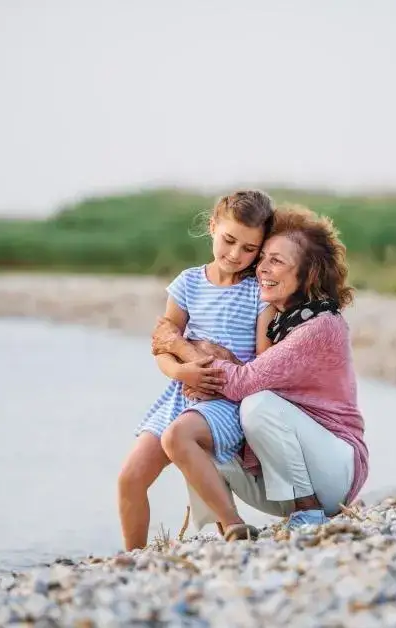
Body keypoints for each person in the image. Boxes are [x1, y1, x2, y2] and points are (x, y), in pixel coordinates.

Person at [151, 205, 369, 538]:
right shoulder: (277, 321)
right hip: (283, 476)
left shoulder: (321, 325)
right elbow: (249, 377)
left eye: (276, 261)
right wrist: (214, 365)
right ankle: (229, 527)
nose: (262, 268)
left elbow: (247, 384)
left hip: (336, 470)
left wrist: (180, 346)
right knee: (198, 428)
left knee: (256, 404)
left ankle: (309, 510)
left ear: (307, 274)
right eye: (263, 257)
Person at [118, 190, 276, 550]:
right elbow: (163, 345)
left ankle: (233, 525)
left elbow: (263, 363)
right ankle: (134, 558)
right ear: (213, 226)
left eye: (249, 248)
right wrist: (181, 373)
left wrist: (224, 372)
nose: (235, 254)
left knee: (179, 436)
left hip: (226, 403)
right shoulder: (188, 283)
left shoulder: (258, 293)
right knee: (130, 478)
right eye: (229, 240)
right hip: (179, 394)